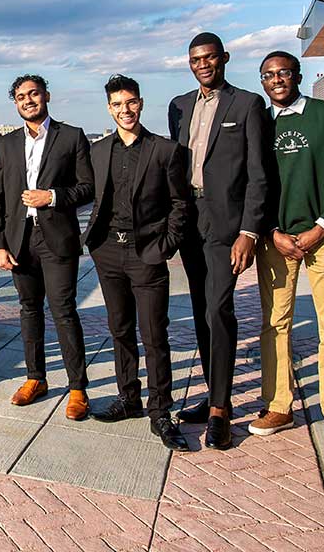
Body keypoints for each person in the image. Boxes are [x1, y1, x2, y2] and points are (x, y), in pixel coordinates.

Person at [252, 51, 324, 453]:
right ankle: (278, 405)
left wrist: (322, 227)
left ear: (297, 75)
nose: (277, 79)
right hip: (275, 241)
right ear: (262, 82)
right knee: (274, 324)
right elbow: (252, 185)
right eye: (268, 75)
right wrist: (271, 230)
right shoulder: (259, 123)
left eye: (283, 72)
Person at [168, 32, 270, 450]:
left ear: (224, 58)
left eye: (210, 57)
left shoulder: (247, 104)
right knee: (198, 308)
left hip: (226, 224)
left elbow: (260, 175)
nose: (203, 64)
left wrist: (249, 231)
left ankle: (221, 409)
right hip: (188, 218)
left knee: (218, 308)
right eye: (196, 59)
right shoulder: (179, 106)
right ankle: (212, 392)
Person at [82, 75, 190, 451]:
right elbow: (87, 194)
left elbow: (180, 203)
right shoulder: (98, 152)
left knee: (154, 335)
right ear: (109, 108)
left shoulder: (165, 150)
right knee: (120, 330)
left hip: (147, 254)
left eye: (130, 103)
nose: (125, 110)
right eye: (117, 105)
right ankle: (129, 398)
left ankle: (160, 409)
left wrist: (165, 245)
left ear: (140, 103)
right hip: (108, 251)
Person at [0, 74, 95, 420]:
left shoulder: (72, 136)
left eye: (33, 94)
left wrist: (52, 197)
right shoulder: (6, 144)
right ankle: (36, 378)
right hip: (19, 240)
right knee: (28, 309)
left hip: (57, 237)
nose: (28, 100)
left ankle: (78, 387)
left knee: (63, 310)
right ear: (15, 103)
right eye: (20, 97)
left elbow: (87, 188)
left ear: (46, 95)